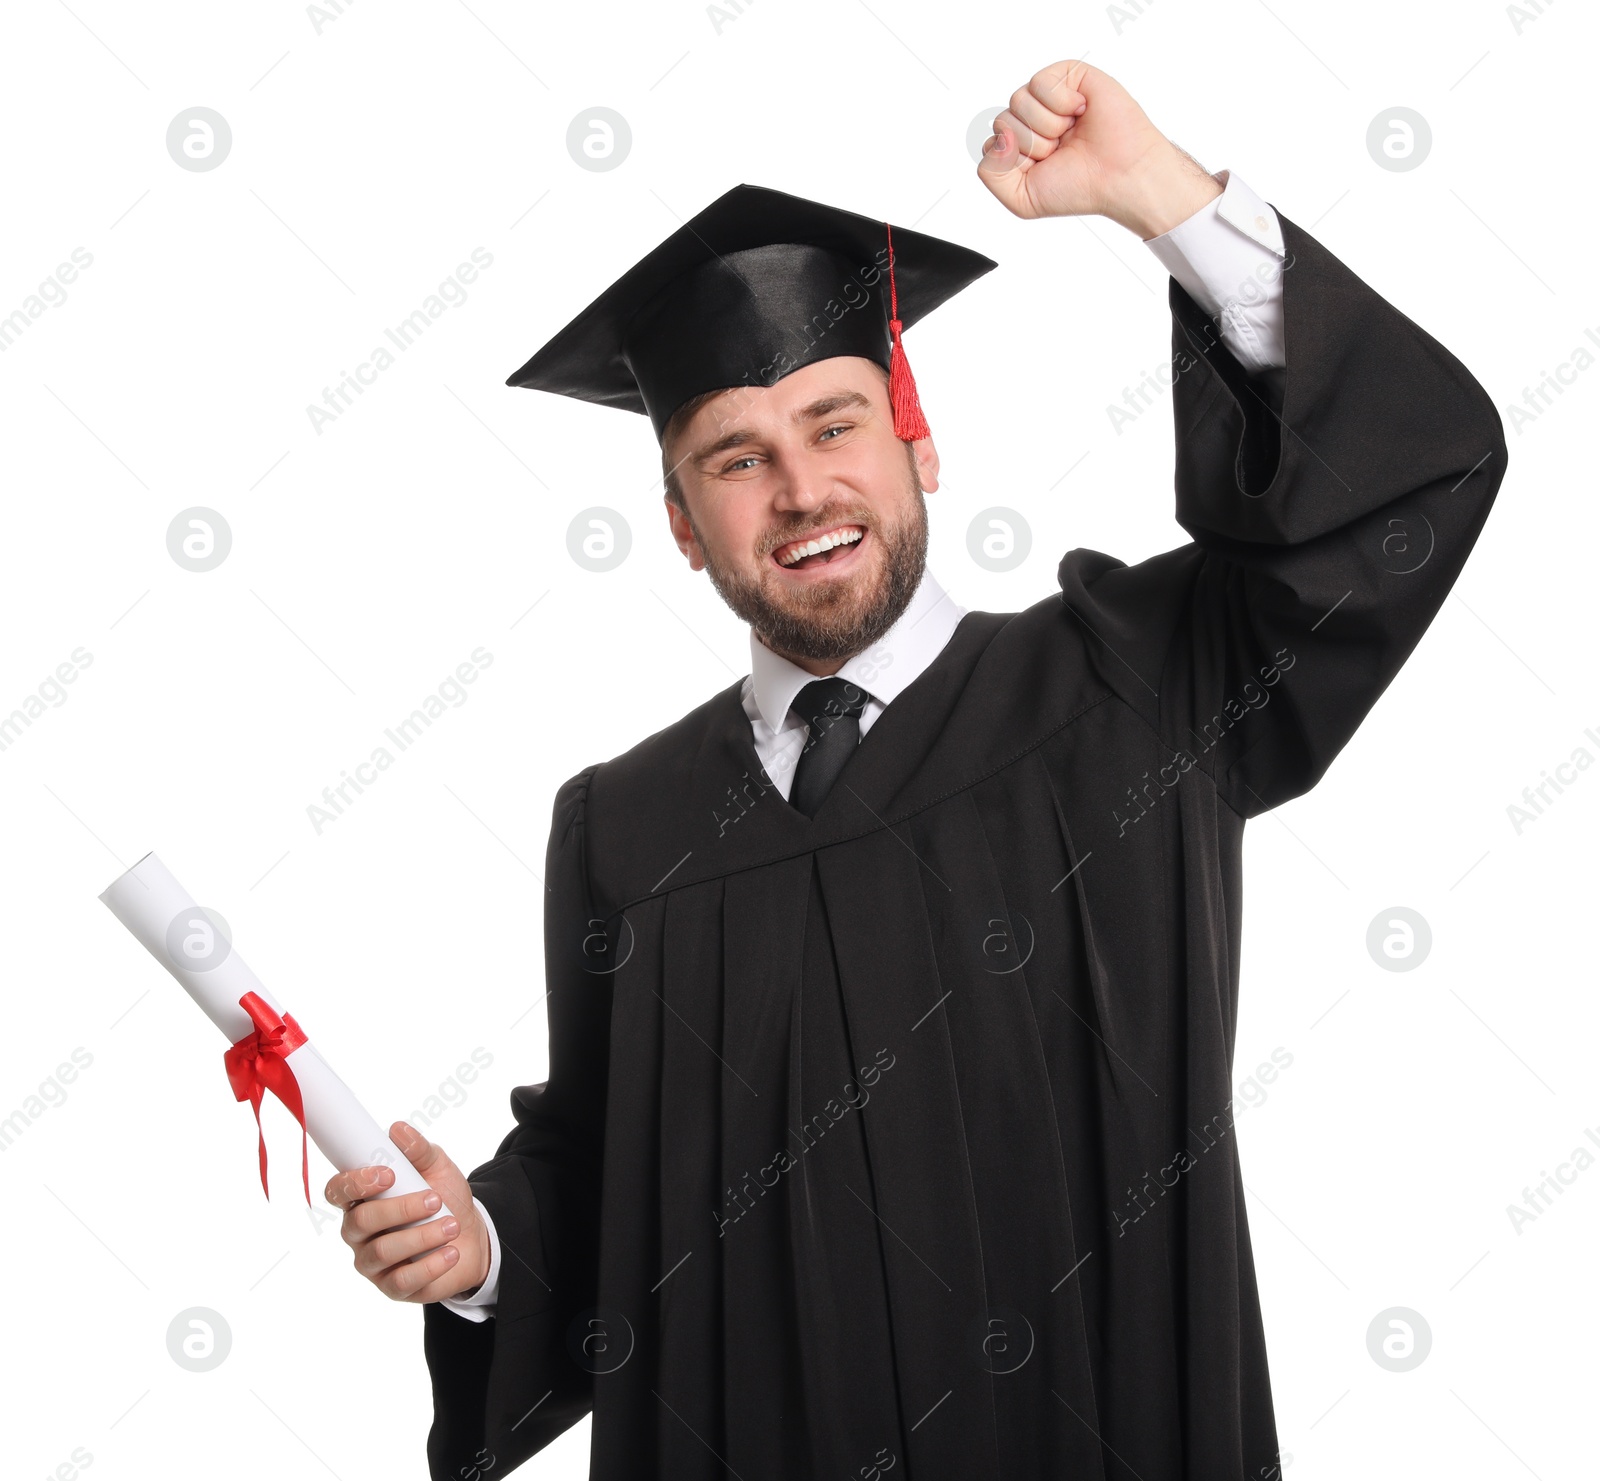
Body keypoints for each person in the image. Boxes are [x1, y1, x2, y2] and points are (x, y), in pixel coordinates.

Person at [327, 60, 1505, 1481]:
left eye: (835, 424)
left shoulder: (1133, 682)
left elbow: (1408, 479)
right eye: (736, 460)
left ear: (917, 441)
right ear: (685, 524)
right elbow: (608, 1173)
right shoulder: (622, 829)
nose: (802, 490)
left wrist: (1161, 201)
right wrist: (485, 1249)